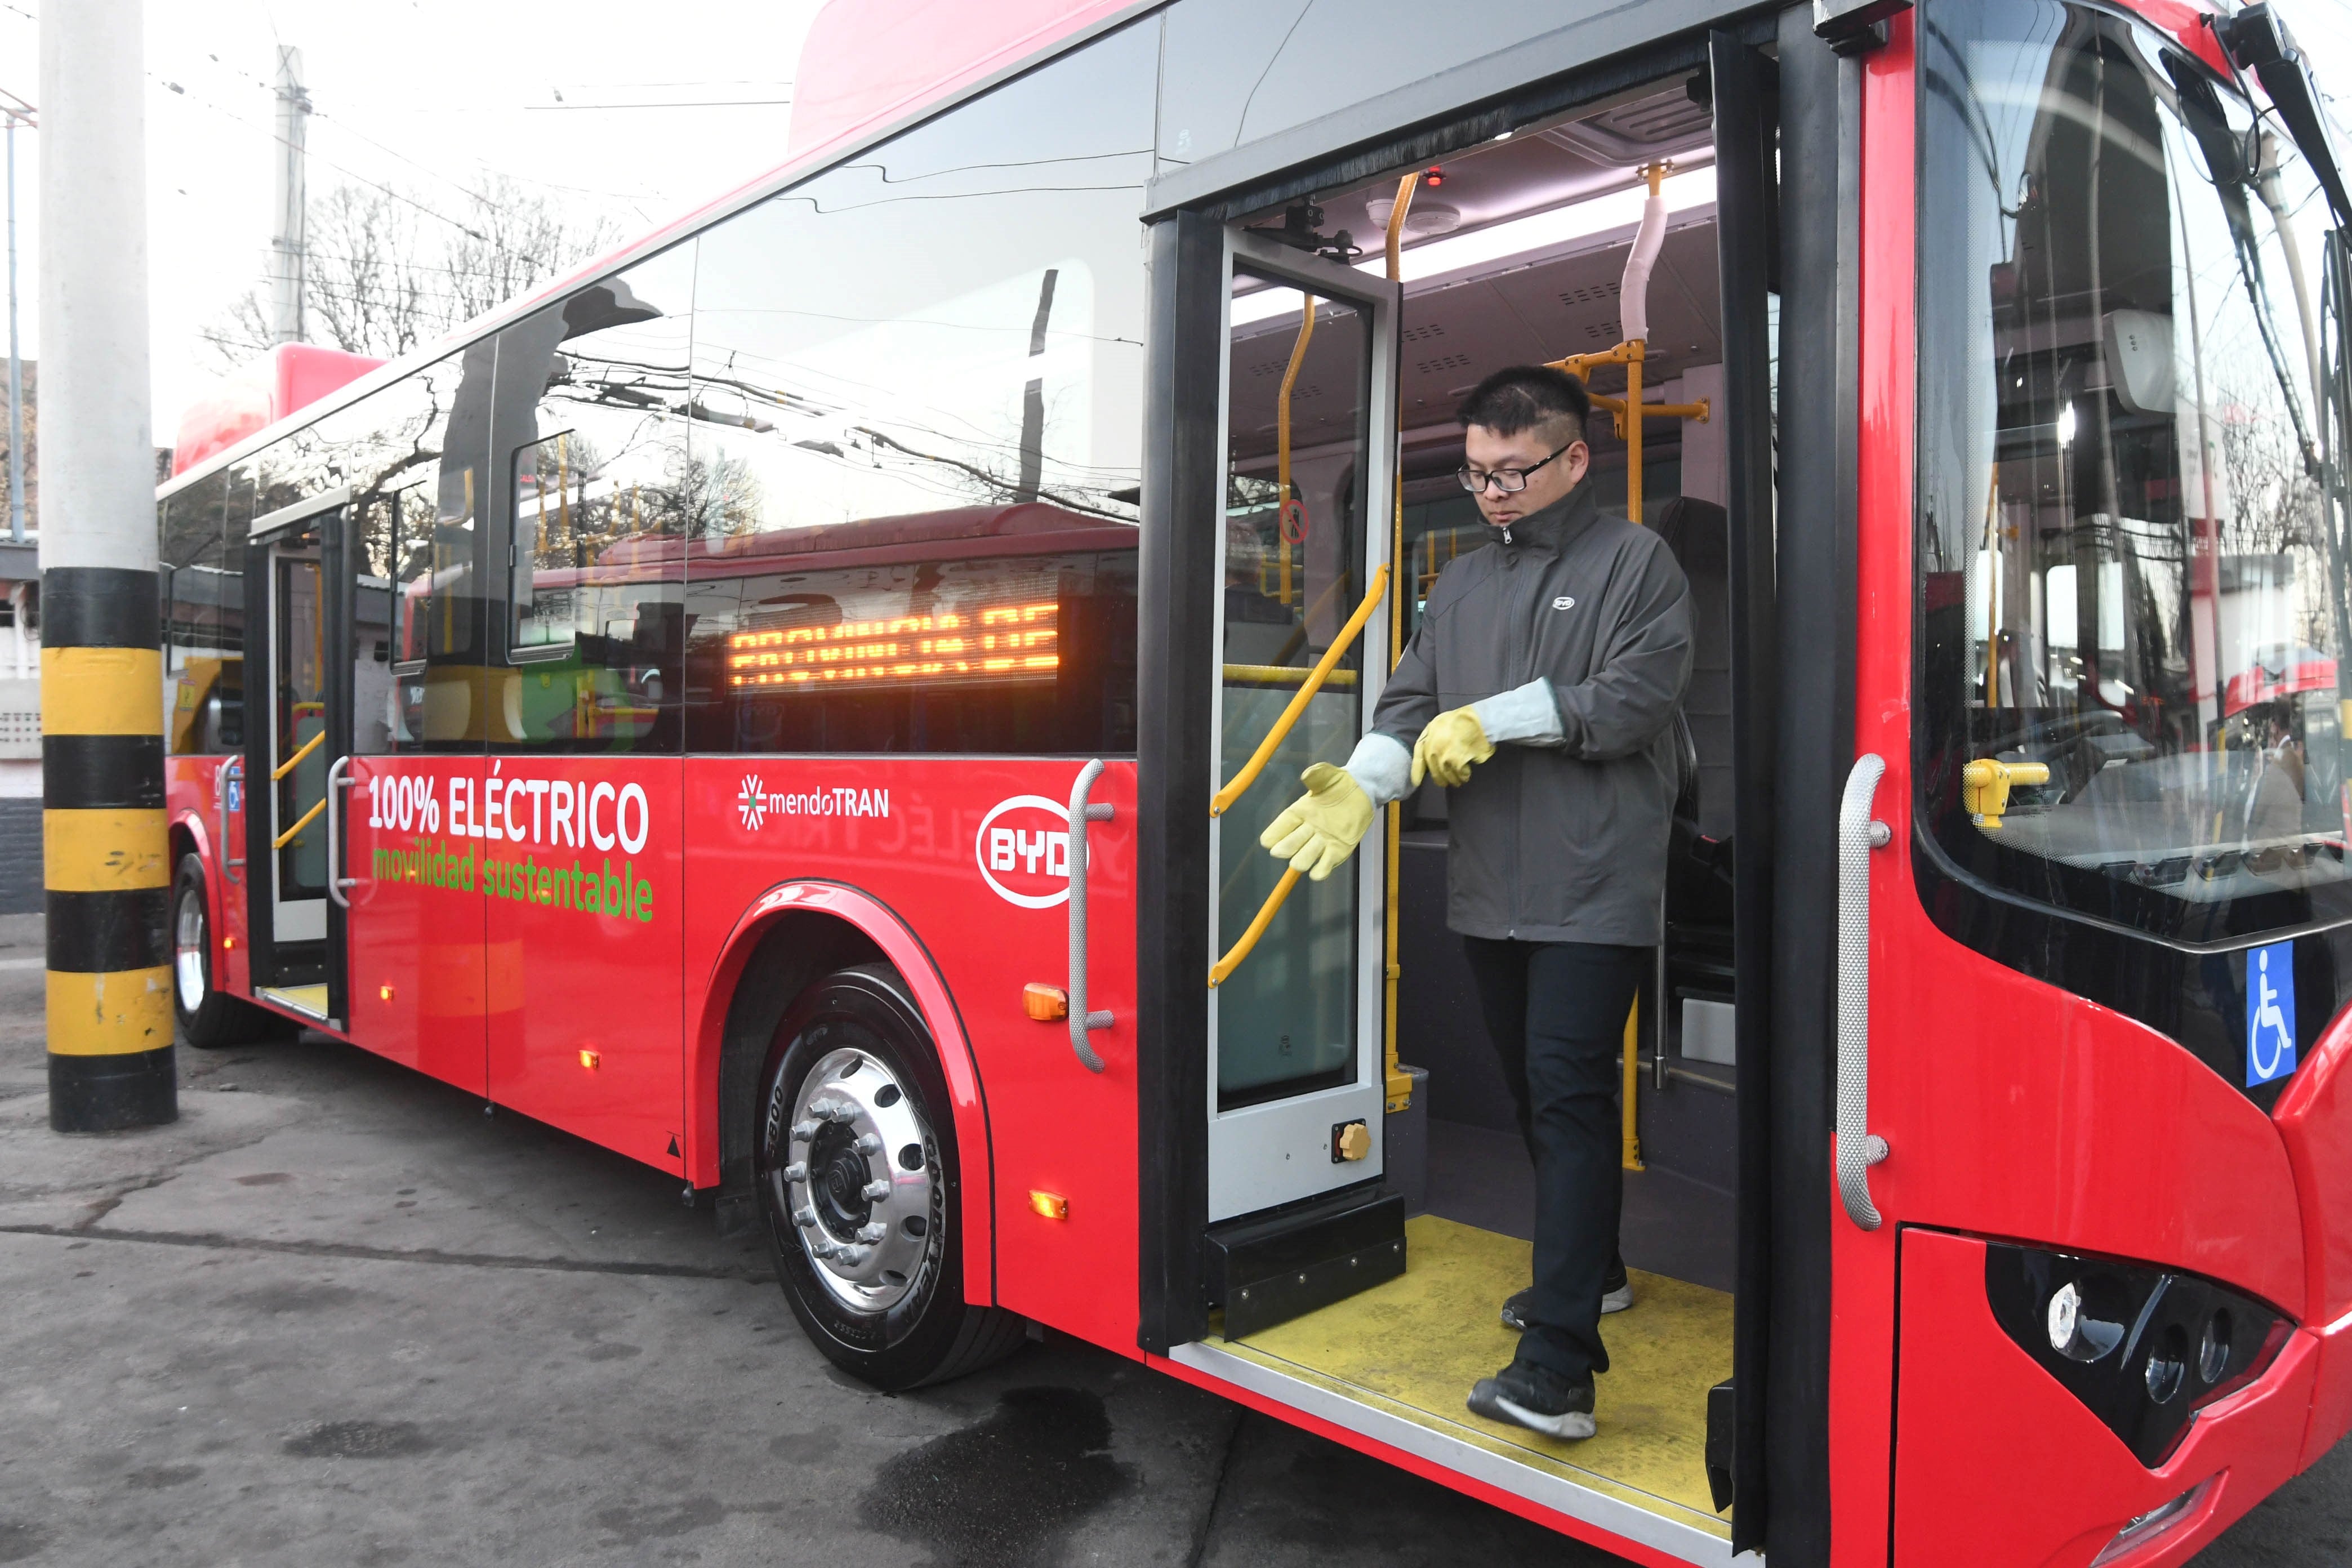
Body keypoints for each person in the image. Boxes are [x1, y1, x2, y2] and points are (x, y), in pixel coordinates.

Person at [1257, 363, 1692, 1439]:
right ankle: (1591, 1273)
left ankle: (1558, 1368)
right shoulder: (1458, 586)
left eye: (1513, 470)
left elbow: (1632, 703)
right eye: (1477, 472)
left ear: (1573, 459)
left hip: (1594, 890)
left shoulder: (1637, 563)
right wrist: (1364, 779)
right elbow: (1410, 699)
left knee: (1569, 1093)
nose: (1491, 491)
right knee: (1532, 1098)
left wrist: (1497, 718)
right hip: (1491, 889)